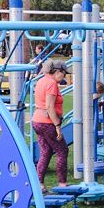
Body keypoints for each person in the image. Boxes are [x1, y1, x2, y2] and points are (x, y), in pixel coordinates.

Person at [31, 58, 69, 188]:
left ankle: (39, 184)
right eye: (64, 73)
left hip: (37, 121)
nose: (64, 76)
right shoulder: (51, 83)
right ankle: (62, 183)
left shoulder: (41, 80)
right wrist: (57, 126)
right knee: (62, 150)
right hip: (47, 122)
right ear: (58, 71)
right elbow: (50, 106)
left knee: (46, 152)